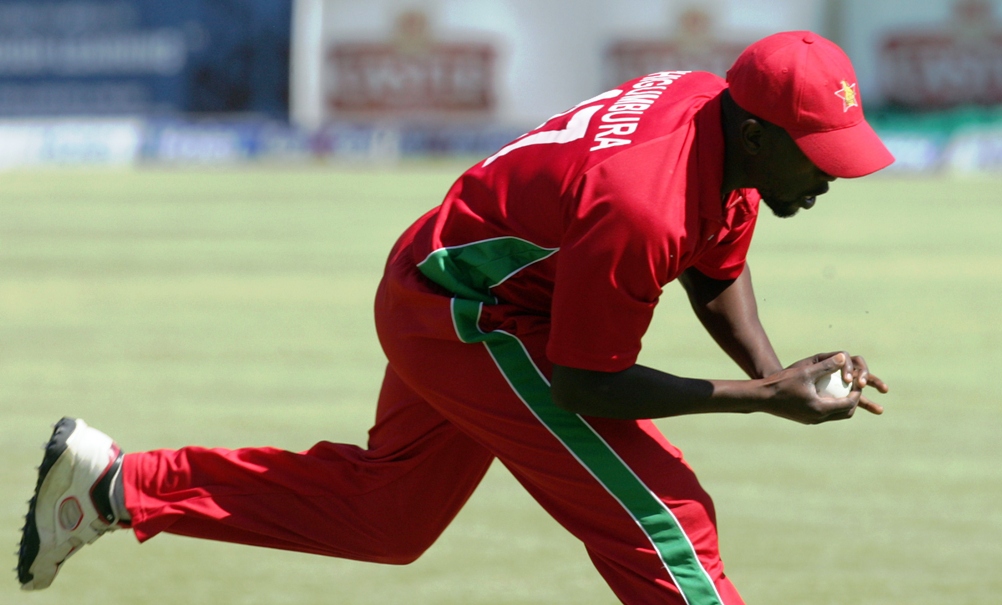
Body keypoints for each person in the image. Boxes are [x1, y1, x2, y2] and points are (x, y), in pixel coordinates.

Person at [18, 31, 892, 604]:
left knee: (388, 518)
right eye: (816, 159)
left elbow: (717, 259)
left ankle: (112, 485)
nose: (829, 179)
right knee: (667, 516)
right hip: (471, 316)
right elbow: (587, 382)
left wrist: (785, 372)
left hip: (444, 288)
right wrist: (760, 395)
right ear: (754, 132)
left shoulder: (710, 112)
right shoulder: (643, 202)